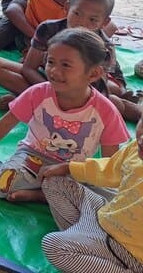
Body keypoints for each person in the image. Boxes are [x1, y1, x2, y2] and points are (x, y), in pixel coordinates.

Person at [0, 28, 129, 202]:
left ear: (93, 73)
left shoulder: (105, 111)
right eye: (51, 62)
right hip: (33, 157)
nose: (54, 71)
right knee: (4, 183)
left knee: (107, 198)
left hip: (72, 169)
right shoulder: (38, 93)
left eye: (66, 65)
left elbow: (109, 163)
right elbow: (6, 123)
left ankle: (38, 195)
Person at [0, 0, 137, 120]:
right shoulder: (47, 29)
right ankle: (37, 101)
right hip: (48, 77)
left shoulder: (104, 47)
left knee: (115, 102)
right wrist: (48, 91)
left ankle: (31, 102)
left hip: (80, 90)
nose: (82, 23)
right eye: (76, 13)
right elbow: (29, 68)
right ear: (67, 7)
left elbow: (96, 89)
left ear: (104, 22)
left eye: (92, 20)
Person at [38, 116, 143, 273]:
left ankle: (86, 249)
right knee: (54, 181)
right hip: (105, 216)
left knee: (53, 246)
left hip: (127, 252)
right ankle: (85, 246)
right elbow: (108, 169)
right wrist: (68, 167)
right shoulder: (135, 148)